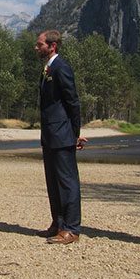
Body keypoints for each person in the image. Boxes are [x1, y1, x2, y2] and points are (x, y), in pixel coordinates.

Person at [34, 30, 87, 245]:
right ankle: (58, 223)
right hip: (50, 134)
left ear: (52, 45)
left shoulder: (61, 67)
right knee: (53, 182)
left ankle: (71, 229)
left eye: (40, 44)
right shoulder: (48, 68)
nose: (36, 48)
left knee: (67, 182)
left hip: (62, 134)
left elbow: (72, 101)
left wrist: (75, 133)